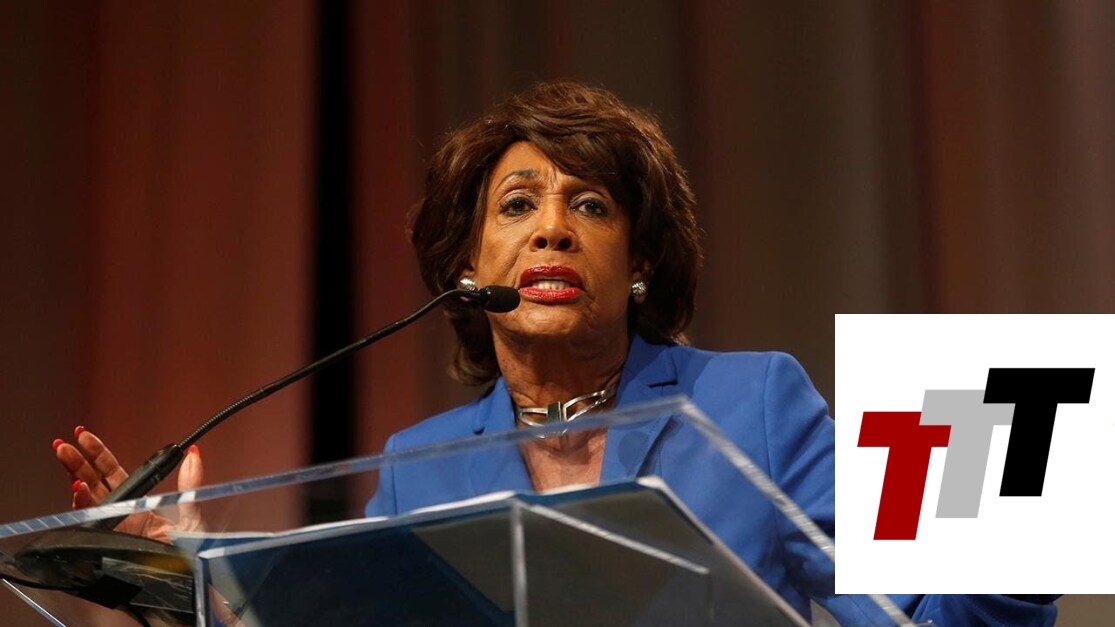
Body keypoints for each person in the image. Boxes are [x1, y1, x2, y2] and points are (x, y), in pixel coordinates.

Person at [54, 81, 1058, 625]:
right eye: (516, 205)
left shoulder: (752, 402)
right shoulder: (417, 466)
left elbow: (925, 620)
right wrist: (183, 583)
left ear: (637, 263)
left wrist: (1023, 496)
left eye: (590, 205)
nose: (550, 229)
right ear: (468, 266)